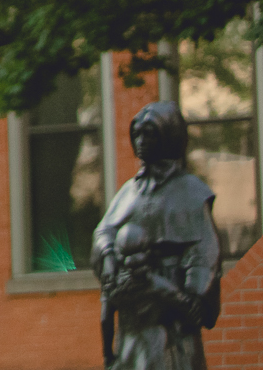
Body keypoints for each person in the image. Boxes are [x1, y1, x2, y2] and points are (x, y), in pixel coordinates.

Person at [91, 101, 222, 370]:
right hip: (131, 321)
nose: (140, 142)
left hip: (169, 319)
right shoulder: (129, 192)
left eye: (149, 134)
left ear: (168, 136)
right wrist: (107, 256)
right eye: (137, 134)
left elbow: (203, 251)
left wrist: (193, 294)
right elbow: (104, 231)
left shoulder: (191, 192)